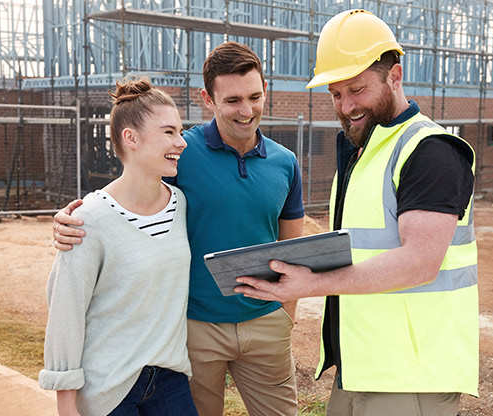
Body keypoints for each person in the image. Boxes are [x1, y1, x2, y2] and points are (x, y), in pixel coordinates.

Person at [235, 9, 478, 416]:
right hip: (364, 364)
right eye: (335, 93)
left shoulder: (429, 151)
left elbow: (420, 262)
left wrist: (311, 284)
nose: (346, 105)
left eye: (357, 89)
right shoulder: (366, 152)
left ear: (395, 77)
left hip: (408, 377)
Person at [52, 42, 304, 416]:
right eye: (233, 100)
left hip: (266, 323)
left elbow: (292, 243)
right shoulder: (183, 154)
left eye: (255, 96)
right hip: (196, 329)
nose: (247, 110)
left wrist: (286, 313)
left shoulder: (286, 163)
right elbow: (130, 193)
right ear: (208, 99)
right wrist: (71, 219)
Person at [38, 76, 198, 416]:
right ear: (131, 138)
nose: (181, 142)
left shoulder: (181, 204)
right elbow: (66, 314)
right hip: (108, 389)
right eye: (169, 132)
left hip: (170, 381)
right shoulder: (88, 219)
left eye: (180, 131)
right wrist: (66, 405)